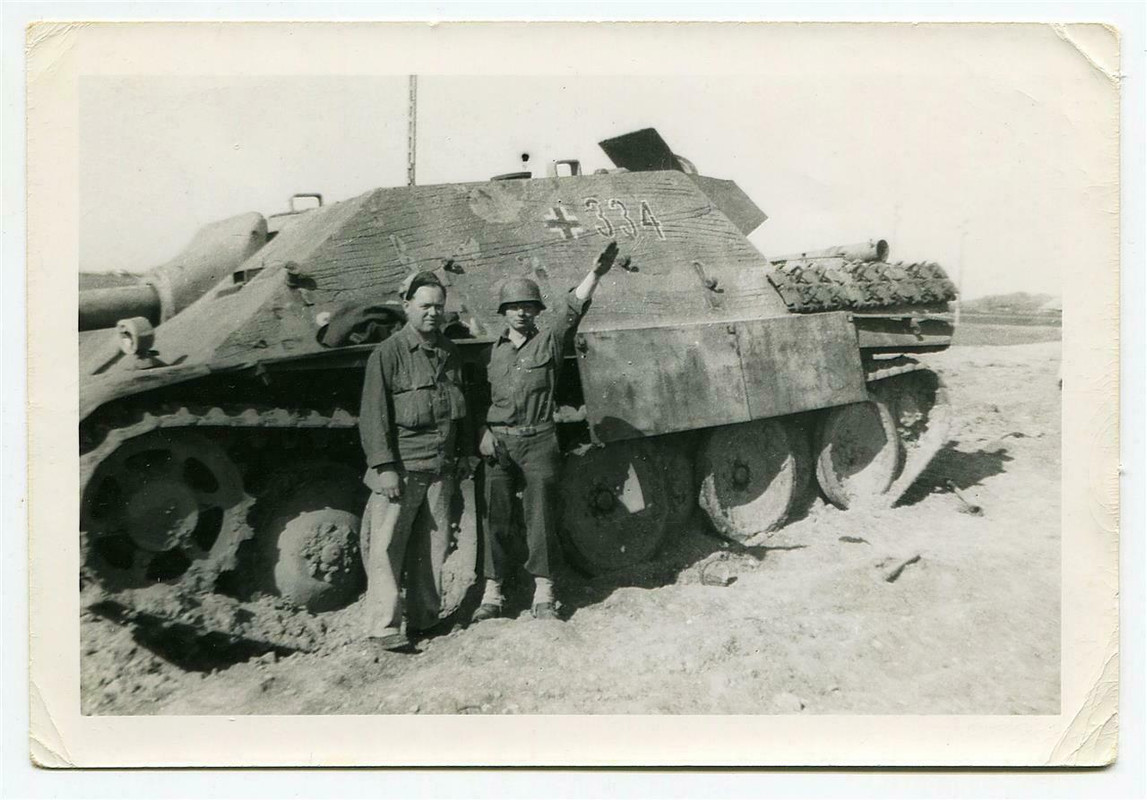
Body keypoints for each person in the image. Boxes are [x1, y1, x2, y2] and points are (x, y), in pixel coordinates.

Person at [473, 241, 623, 622]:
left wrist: (595, 274)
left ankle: (544, 591)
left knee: (540, 519)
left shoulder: (549, 342)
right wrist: (482, 432)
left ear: (537, 311)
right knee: (496, 517)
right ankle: (493, 592)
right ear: (503, 312)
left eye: (528, 306)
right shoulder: (490, 354)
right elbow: (476, 400)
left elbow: (572, 309)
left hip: (538, 441)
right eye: (513, 307)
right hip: (499, 443)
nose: (521, 312)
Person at [358, 271, 468, 652]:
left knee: (432, 548)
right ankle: (384, 627)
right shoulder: (387, 354)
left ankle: (425, 619)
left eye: (438, 306)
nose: (433, 313)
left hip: (440, 468)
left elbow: (460, 409)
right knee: (387, 548)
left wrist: (462, 454)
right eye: (425, 306)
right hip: (402, 470)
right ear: (407, 306)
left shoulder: (450, 352)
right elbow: (373, 417)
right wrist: (384, 467)